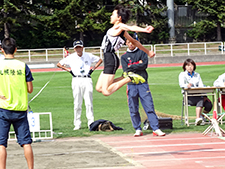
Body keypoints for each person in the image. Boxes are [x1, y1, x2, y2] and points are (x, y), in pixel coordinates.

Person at [95, 4, 155, 96]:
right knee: (99, 88)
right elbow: (134, 41)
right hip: (108, 59)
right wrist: (148, 52)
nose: (110, 16)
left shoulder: (119, 26)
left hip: (111, 58)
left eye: (113, 14)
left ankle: (129, 78)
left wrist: (145, 30)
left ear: (119, 18)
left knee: (106, 92)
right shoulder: (121, 31)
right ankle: (125, 77)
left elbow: (132, 27)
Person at [121, 34, 166, 137]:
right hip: (131, 84)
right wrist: (137, 65)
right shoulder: (124, 57)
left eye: (133, 42)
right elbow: (126, 70)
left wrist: (132, 66)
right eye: (129, 42)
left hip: (143, 84)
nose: (131, 44)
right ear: (126, 43)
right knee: (133, 107)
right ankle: (137, 128)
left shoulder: (142, 52)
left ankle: (156, 128)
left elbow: (144, 65)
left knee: (149, 106)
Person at [0, 38, 34, 169]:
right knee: (26, 142)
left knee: (1, 144)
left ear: (2, 49)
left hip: (3, 108)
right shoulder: (22, 66)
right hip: (20, 108)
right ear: (16, 49)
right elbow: (30, 89)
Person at [57, 40, 103, 130]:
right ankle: (77, 123)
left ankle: (91, 122)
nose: (78, 49)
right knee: (77, 102)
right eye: (76, 47)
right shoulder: (71, 57)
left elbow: (100, 60)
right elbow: (59, 64)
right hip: (76, 79)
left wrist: (93, 69)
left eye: (80, 47)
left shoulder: (88, 55)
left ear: (82, 47)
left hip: (86, 78)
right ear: (74, 49)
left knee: (89, 102)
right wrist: (69, 70)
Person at [178, 58, 212, 125]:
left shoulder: (197, 75)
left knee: (209, 104)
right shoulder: (182, 75)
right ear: (185, 67)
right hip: (188, 97)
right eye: (187, 65)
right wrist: (187, 85)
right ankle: (197, 119)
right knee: (200, 100)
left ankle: (201, 116)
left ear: (194, 66)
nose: (189, 67)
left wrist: (205, 95)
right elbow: (181, 84)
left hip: (198, 94)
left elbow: (201, 85)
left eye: (191, 65)